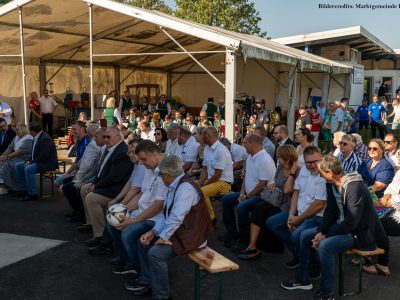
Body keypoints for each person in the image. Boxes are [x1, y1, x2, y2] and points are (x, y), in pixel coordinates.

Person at [281, 155, 389, 300]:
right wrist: (321, 231)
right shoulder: (331, 183)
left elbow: (351, 223)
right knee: (306, 235)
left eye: (321, 172)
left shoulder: (355, 187)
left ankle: (327, 294)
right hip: (343, 227)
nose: (319, 174)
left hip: (361, 234)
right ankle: (303, 279)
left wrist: (326, 235)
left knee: (326, 246)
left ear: (330, 173)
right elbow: (330, 211)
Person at [130, 155, 214, 298]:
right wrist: (153, 232)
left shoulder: (185, 188)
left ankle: (162, 295)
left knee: (155, 254)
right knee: (143, 242)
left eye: (161, 174)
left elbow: (176, 217)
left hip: (192, 236)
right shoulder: (175, 183)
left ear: (168, 175)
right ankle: (149, 281)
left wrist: (162, 237)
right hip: (182, 231)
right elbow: (167, 214)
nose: (160, 177)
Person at [267, 146, 327, 269]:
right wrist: (291, 215)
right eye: (308, 162)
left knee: (296, 236)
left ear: (321, 159)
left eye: (315, 161)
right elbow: (295, 192)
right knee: (272, 223)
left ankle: (313, 263)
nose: (312, 165)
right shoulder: (304, 170)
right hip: (299, 213)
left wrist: (298, 219)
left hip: (315, 216)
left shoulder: (324, 174)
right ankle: (302, 256)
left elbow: (319, 205)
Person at [238, 144, 298, 260]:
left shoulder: (296, 171)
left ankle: (282, 248)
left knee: (267, 217)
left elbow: (287, 189)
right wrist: (273, 185)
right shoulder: (280, 167)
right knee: (259, 208)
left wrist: (292, 173)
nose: (277, 159)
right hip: (277, 200)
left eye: (278, 157)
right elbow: (275, 181)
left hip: (289, 205)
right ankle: (252, 246)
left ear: (285, 158)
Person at [220, 134, 276, 250]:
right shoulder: (251, 156)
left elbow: (262, 185)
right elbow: (246, 177)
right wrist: (242, 193)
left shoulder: (265, 159)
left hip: (262, 196)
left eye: (245, 143)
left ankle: (243, 240)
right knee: (226, 200)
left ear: (253, 144)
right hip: (250, 194)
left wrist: (247, 196)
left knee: (242, 207)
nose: (243, 145)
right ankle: (232, 233)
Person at [80, 126, 133, 247]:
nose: (105, 139)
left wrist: (95, 187)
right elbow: (101, 172)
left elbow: (115, 178)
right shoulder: (110, 148)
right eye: (104, 137)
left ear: (119, 137)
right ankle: (92, 224)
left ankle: (100, 235)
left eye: (108, 137)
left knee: (91, 198)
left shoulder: (122, 152)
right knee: (84, 189)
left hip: (116, 189)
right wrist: (94, 184)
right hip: (108, 184)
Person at [62, 125, 102, 222]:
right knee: (66, 181)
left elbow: (87, 165)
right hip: (88, 174)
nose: (72, 132)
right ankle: (76, 210)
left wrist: (77, 178)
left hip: (89, 176)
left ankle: (80, 213)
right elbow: (82, 161)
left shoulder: (93, 144)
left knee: (68, 187)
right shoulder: (91, 143)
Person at [197, 126, 233, 223]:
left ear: (208, 136)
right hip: (212, 180)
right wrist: (200, 183)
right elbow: (204, 169)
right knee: (190, 186)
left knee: (202, 191)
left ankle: (211, 219)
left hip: (223, 182)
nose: (201, 138)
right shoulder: (207, 149)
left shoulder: (220, 150)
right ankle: (198, 215)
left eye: (203, 136)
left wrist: (204, 184)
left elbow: (218, 174)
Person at [15, 122, 58, 201]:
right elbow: (34, 152)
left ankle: (32, 194)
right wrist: (29, 160)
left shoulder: (45, 138)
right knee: (18, 166)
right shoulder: (36, 136)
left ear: (33, 131)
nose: (28, 132)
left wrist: (31, 162)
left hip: (47, 163)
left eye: (29, 131)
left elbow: (44, 156)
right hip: (39, 161)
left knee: (28, 169)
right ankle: (23, 190)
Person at [0, 123, 33, 194]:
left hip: (24, 158)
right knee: (3, 162)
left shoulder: (29, 138)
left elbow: (20, 151)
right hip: (15, 157)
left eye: (18, 129)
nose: (16, 131)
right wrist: (1, 157)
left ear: (22, 130)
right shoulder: (16, 137)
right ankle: (7, 186)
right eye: (16, 129)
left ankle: (12, 186)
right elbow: (9, 148)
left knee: (7, 163)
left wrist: (6, 157)